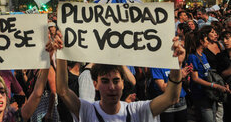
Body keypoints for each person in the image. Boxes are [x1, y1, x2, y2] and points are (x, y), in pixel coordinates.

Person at [56, 36, 186, 122]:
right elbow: (63, 91)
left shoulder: (136, 111)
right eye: (105, 81)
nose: (111, 87)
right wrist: (60, 53)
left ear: (123, 83)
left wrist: (177, 65)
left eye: (116, 81)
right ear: (95, 84)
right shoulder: (87, 110)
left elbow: (171, 98)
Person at [187, 27, 230, 122]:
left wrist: (221, 84)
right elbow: (195, 78)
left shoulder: (203, 55)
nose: (208, 42)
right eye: (206, 39)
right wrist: (214, 85)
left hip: (210, 94)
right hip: (201, 95)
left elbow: (210, 74)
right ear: (201, 42)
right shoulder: (193, 57)